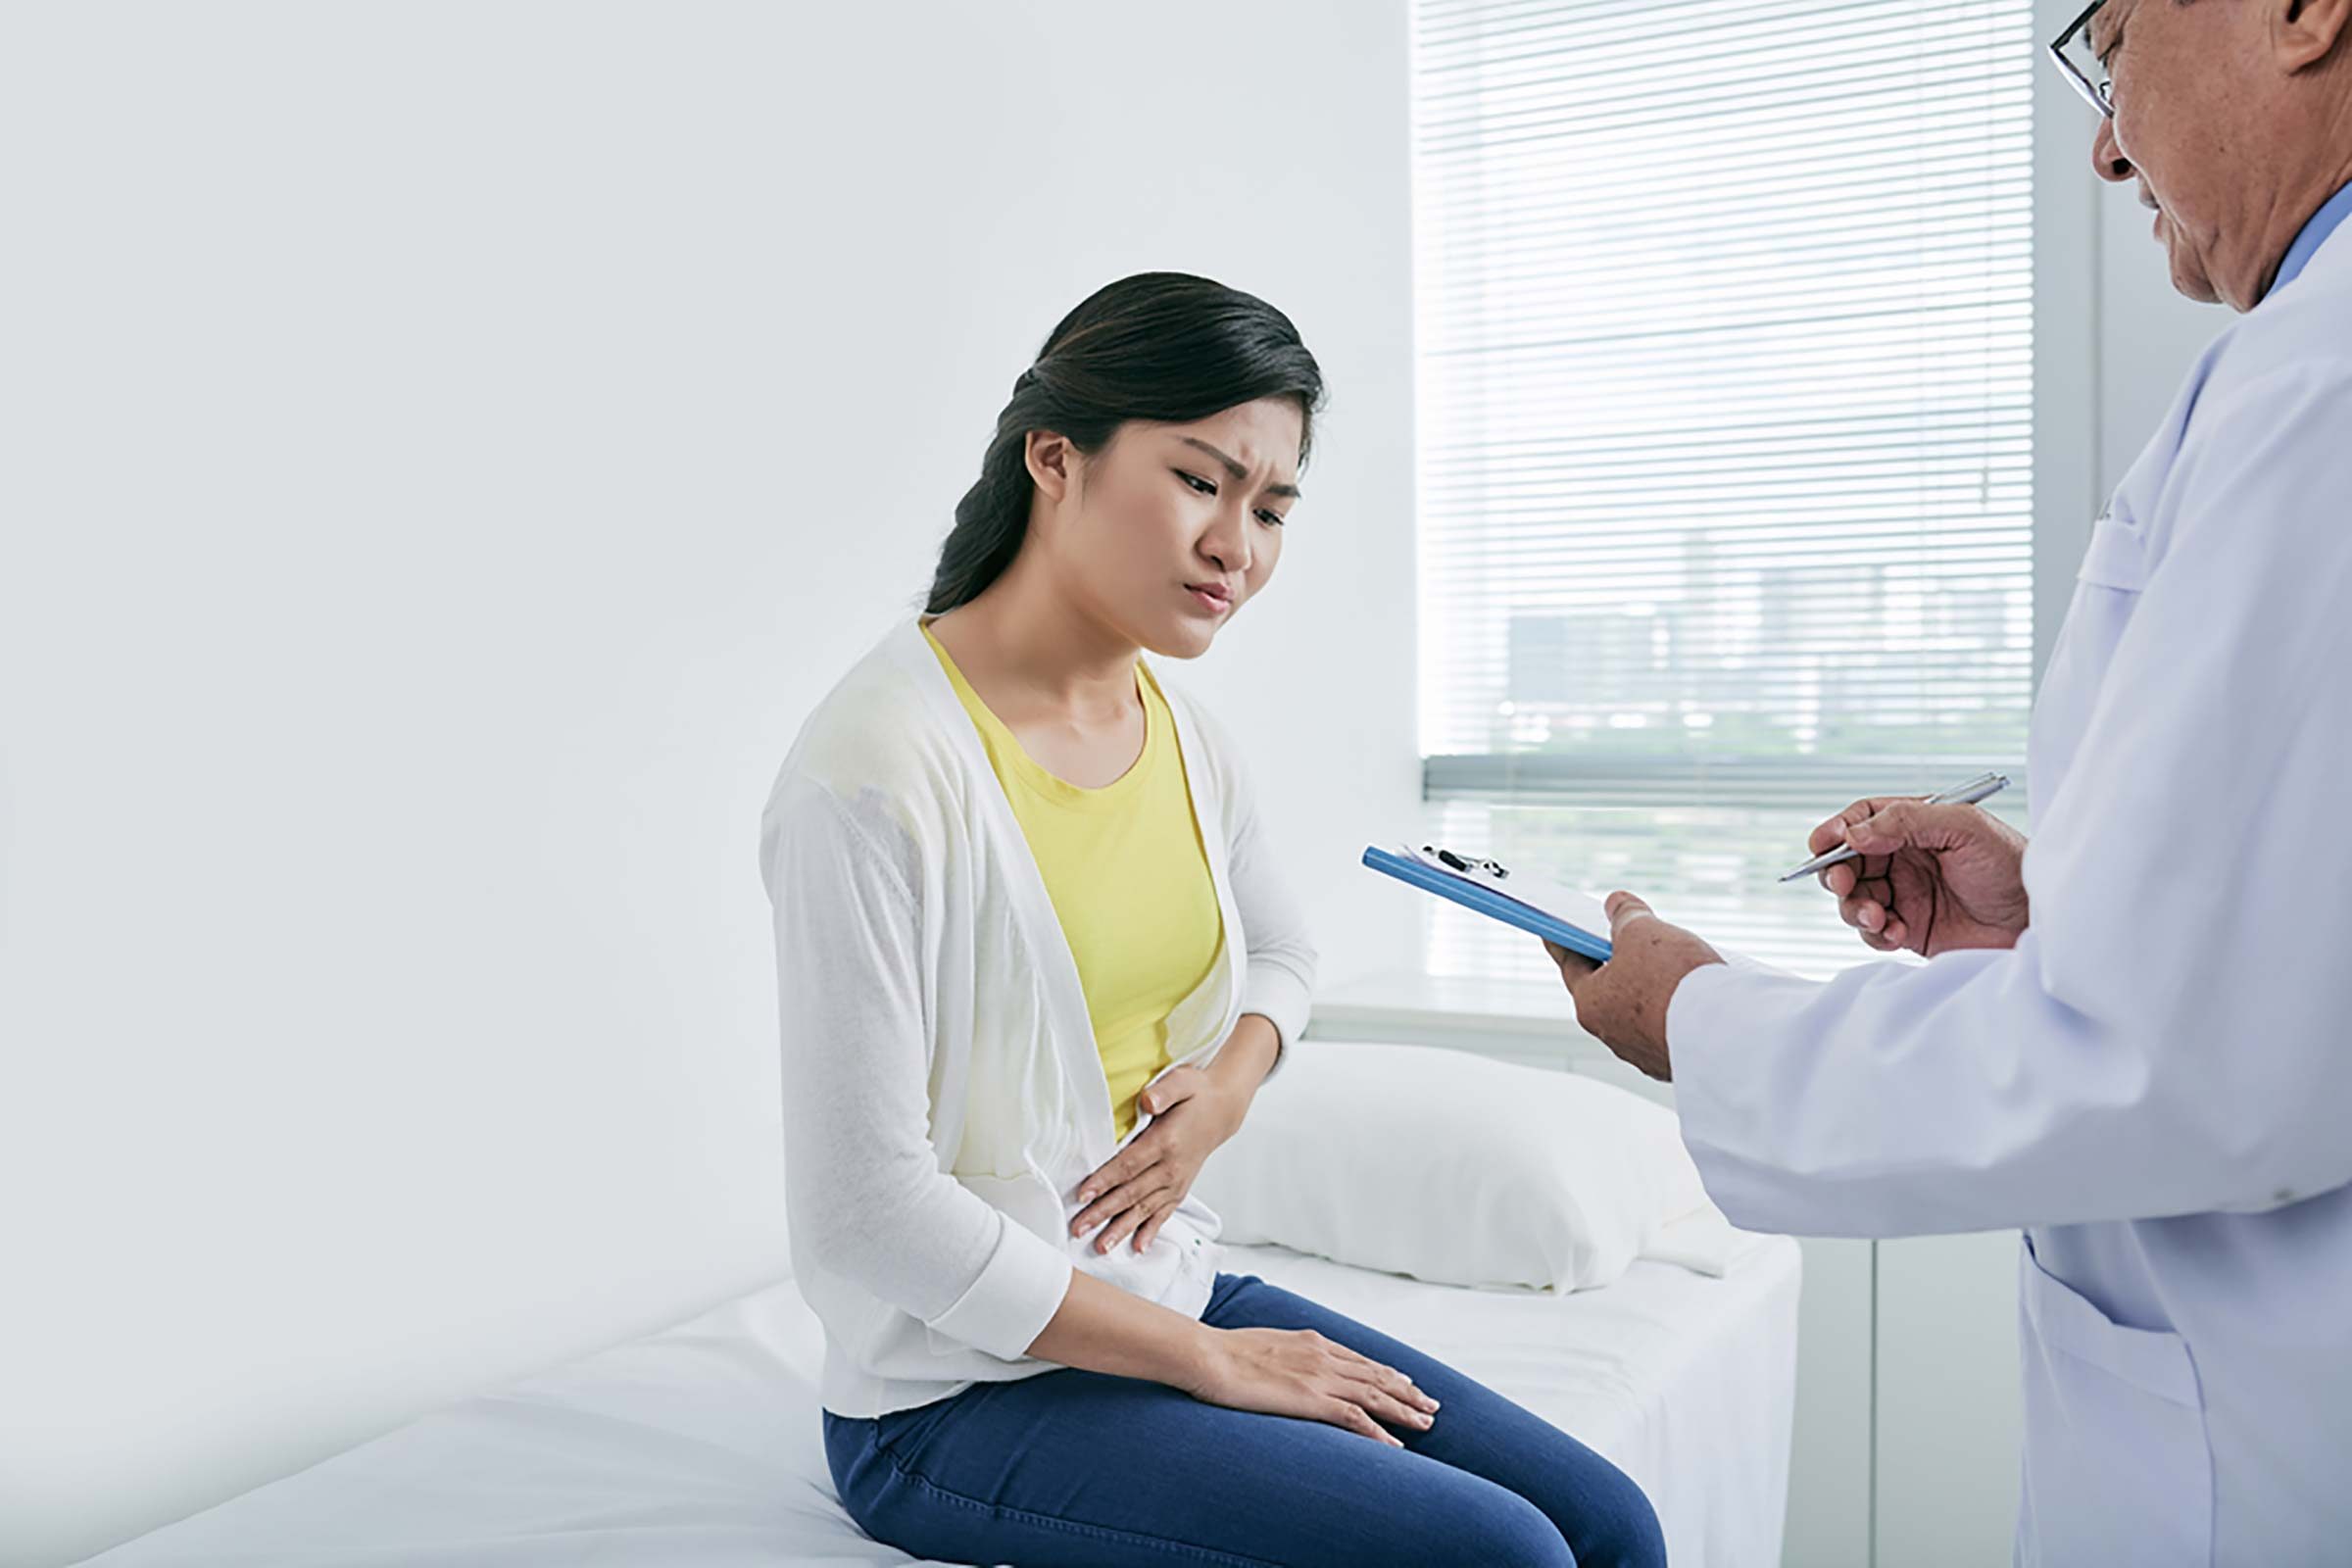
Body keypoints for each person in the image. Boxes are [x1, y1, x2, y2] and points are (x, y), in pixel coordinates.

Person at [1544, 2, 2352, 1561]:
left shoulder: (2316, 387)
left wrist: (1694, 1017)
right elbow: (2290, 940)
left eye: (2111, 46)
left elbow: (2177, 1065)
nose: (2109, 143)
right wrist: (2058, 903)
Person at [762, 272, 1665, 1567]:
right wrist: (1211, 1363)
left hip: (1158, 1289)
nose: (1237, 545)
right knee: (1502, 1555)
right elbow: (863, 1208)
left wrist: (1232, 1084)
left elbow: (1287, 957)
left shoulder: (1179, 731)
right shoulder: (877, 770)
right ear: (1056, 458)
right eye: (1202, 480)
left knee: (1607, 1525)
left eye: (1273, 505)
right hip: (953, 1395)